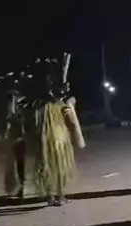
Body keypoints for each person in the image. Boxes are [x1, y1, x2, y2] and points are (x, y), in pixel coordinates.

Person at [22, 55, 85, 206]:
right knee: (60, 168)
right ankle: (60, 196)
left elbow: (28, 124)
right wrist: (77, 135)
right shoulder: (60, 105)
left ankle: (50, 197)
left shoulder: (36, 107)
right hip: (59, 140)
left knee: (46, 167)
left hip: (42, 140)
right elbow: (71, 122)